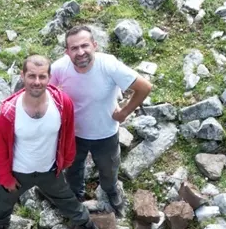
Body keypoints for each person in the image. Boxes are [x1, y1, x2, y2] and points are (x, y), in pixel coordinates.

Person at [0, 55, 102, 229]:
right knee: (3, 202)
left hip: (49, 170)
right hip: (18, 172)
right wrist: (5, 178)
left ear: (49, 77)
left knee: (67, 199)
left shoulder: (62, 103)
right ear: (22, 75)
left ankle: (85, 222)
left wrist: (67, 159)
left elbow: (68, 133)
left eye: (42, 76)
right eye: (31, 76)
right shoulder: (9, 111)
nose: (37, 82)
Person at [50, 25, 154, 218]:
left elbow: (144, 87)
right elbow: (43, 93)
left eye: (85, 45)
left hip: (106, 132)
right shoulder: (59, 68)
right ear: (67, 52)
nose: (80, 52)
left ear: (95, 45)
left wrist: (124, 112)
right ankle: (75, 197)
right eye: (74, 48)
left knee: (108, 169)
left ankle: (111, 192)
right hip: (74, 133)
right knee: (73, 169)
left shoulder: (109, 65)